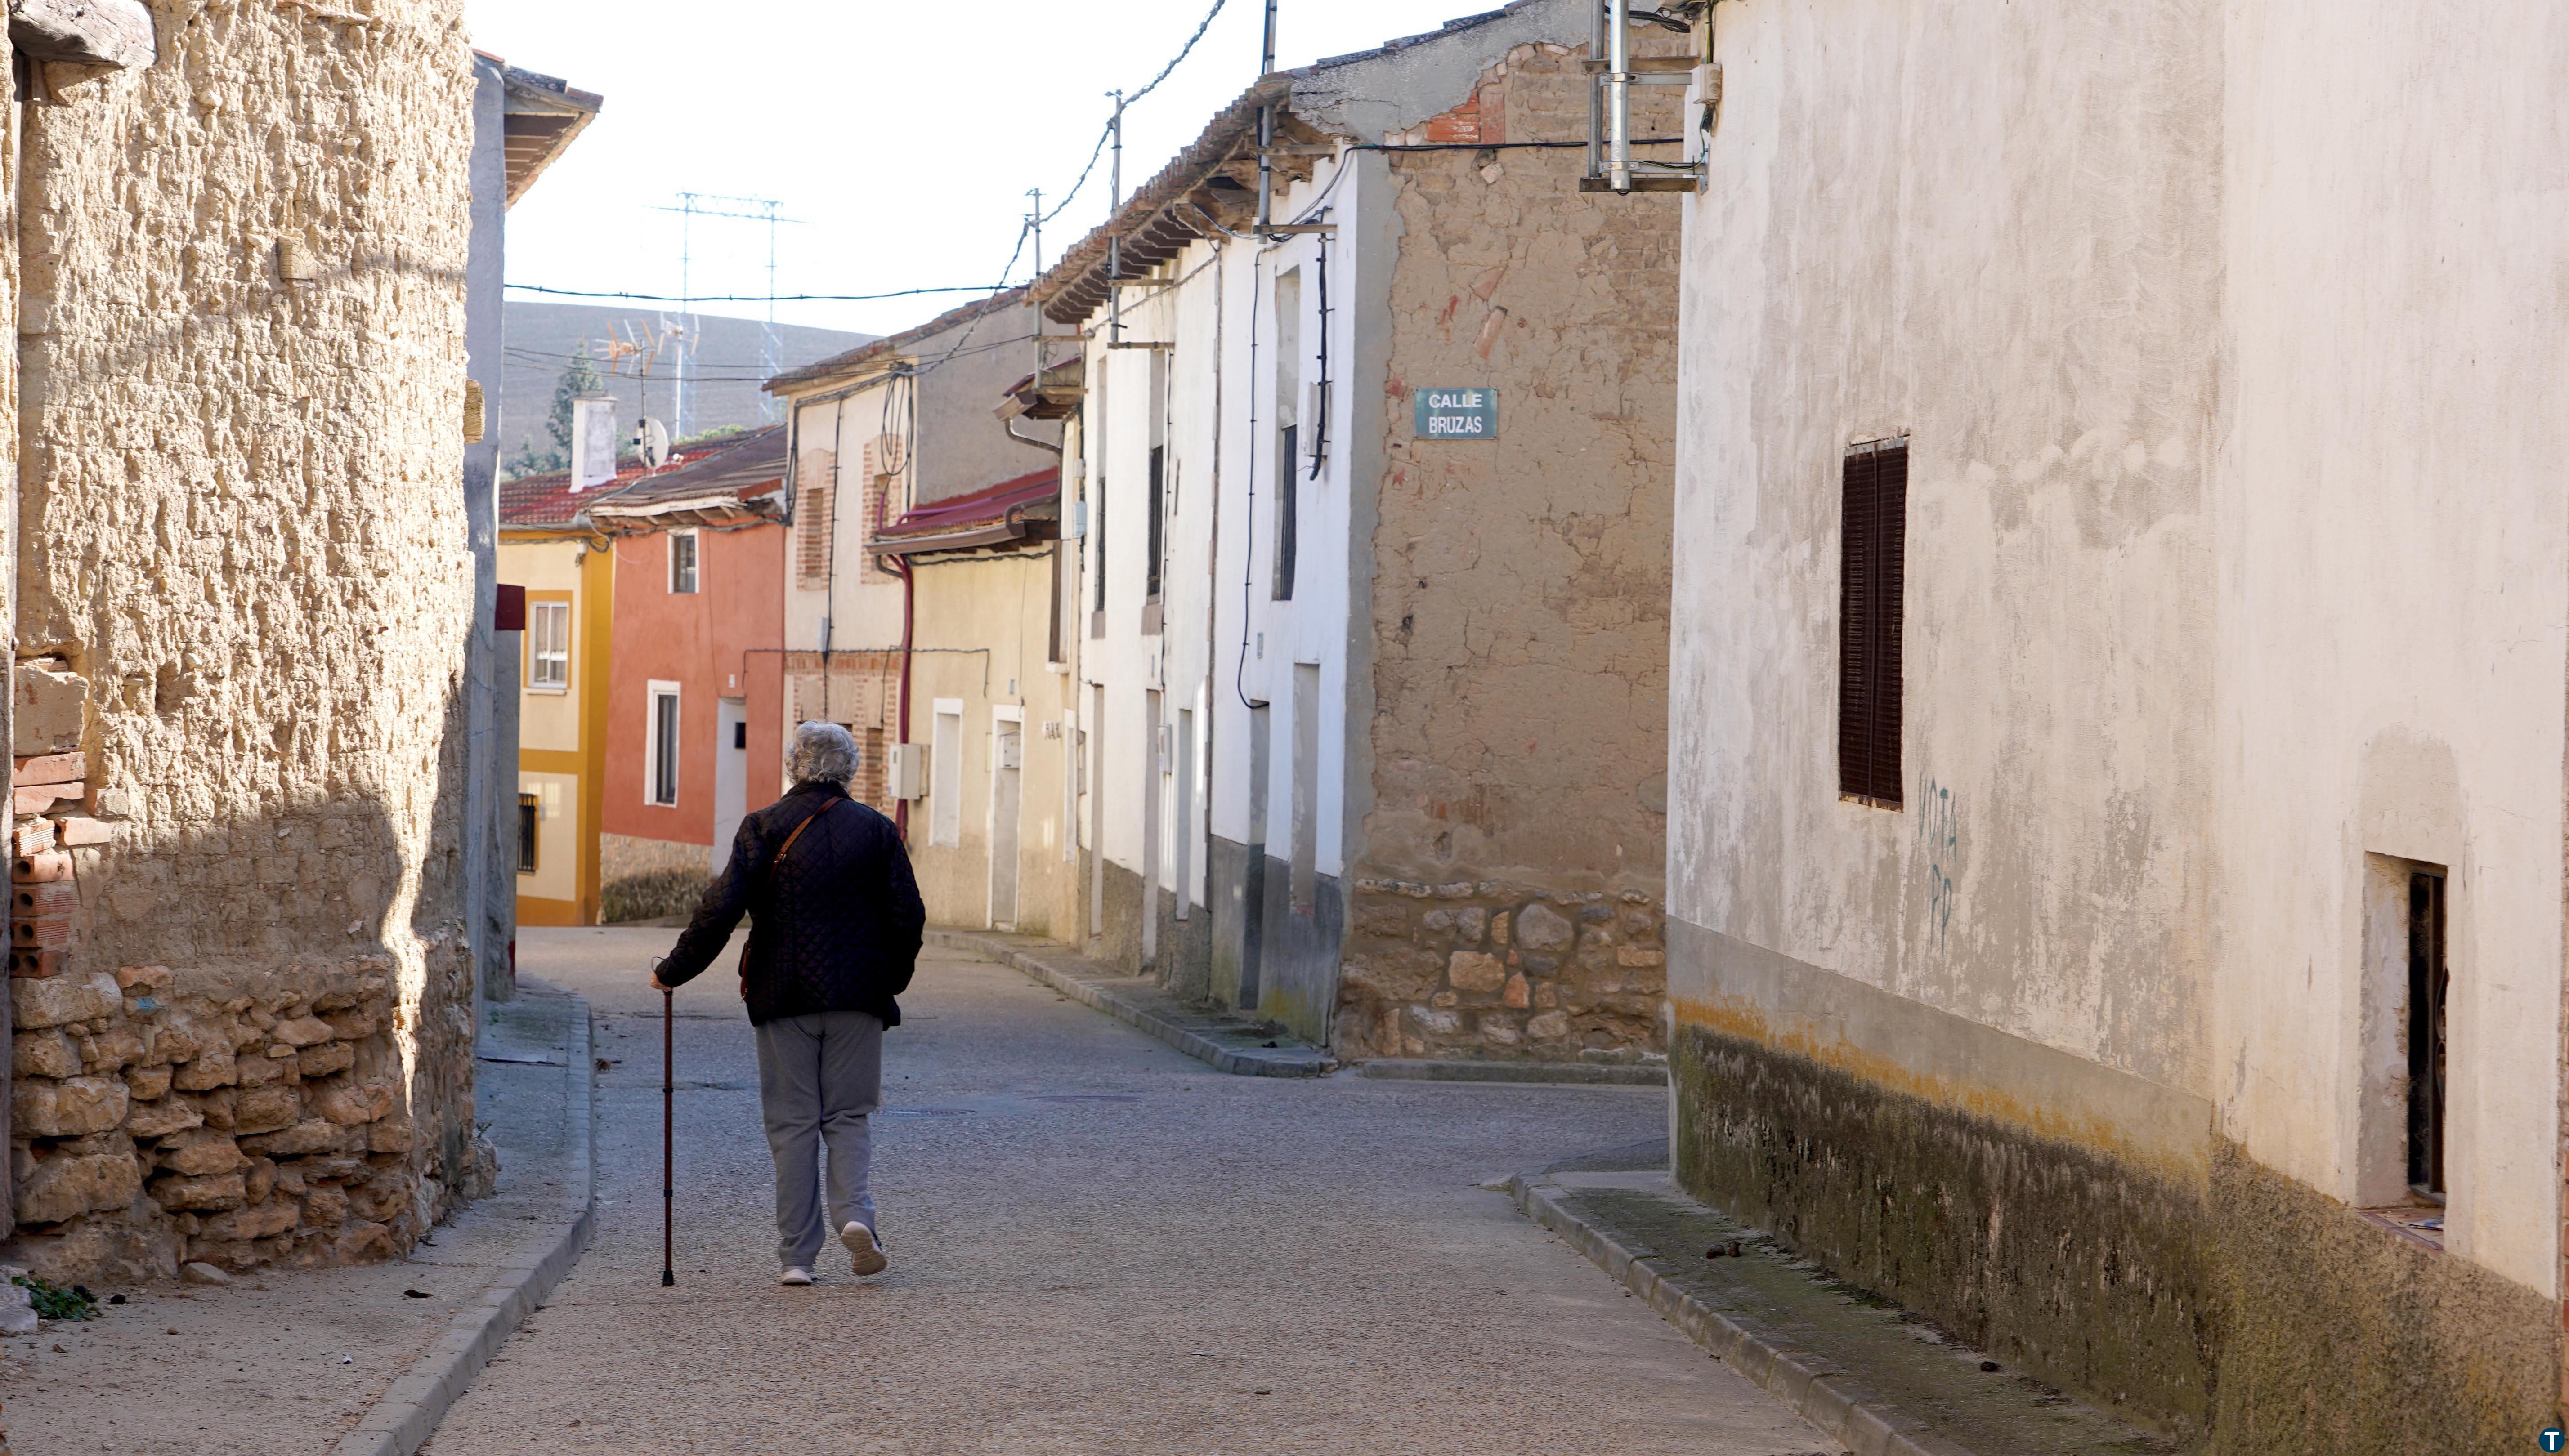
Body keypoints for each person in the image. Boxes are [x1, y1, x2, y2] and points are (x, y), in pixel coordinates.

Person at [651, 721, 925, 1286]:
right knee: (848, 1116)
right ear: (849, 769)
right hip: (858, 1000)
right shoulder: (877, 831)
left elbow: (721, 909)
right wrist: (888, 980)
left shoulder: (764, 828)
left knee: (793, 1125)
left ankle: (798, 1257)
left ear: (794, 766)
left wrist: (674, 970)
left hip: (784, 997)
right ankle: (855, 1217)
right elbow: (909, 916)